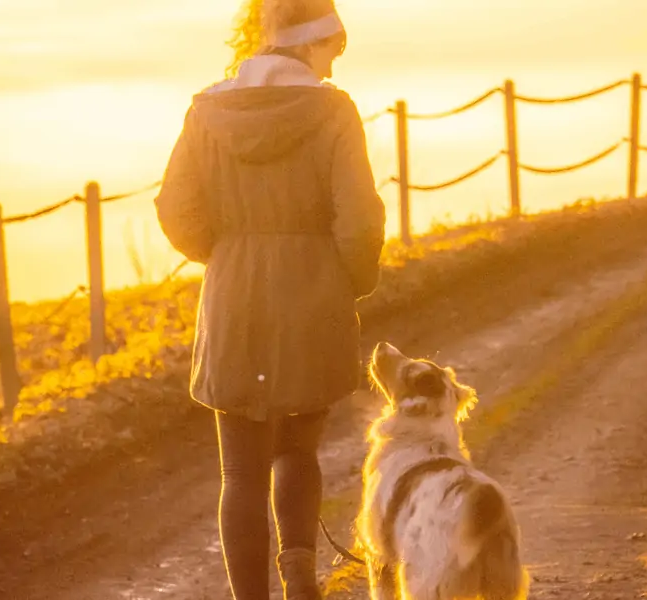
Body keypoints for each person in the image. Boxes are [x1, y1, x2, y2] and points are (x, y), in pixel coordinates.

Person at [153, 0, 386, 598]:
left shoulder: (206, 111)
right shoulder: (335, 112)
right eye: (334, 50)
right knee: (298, 452)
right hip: (312, 297)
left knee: (241, 471)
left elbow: (175, 210)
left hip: (232, 299)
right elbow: (359, 222)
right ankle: (301, 581)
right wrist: (348, 282)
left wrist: (229, 254)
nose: (334, 67)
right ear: (313, 42)